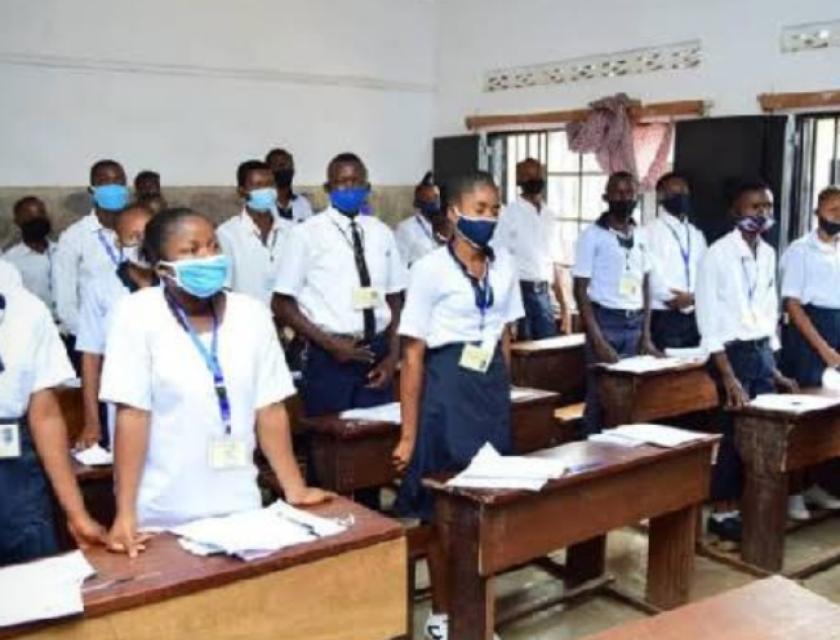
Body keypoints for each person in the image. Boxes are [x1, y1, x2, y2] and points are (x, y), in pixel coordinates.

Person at [101, 208, 332, 555]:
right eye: (192, 251)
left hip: (240, 510)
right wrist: (125, 513)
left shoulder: (251, 314)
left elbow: (269, 408)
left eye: (212, 247)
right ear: (160, 264)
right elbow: (132, 415)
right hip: (165, 515)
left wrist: (294, 488)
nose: (207, 258)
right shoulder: (136, 315)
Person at [393, 171, 517, 640]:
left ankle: (478, 614)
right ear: (454, 213)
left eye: (495, 209)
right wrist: (408, 433)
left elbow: (504, 334)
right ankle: (443, 615)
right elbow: (412, 353)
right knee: (443, 515)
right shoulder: (429, 269)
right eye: (480, 209)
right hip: (446, 393)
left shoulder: (504, 264)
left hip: (490, 390)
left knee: (487, 511)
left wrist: (506, 396)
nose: (489, 217)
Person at [273, 153, 407, 507]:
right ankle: (327, 526)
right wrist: (331, 345)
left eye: (355, 182)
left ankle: (370, 522)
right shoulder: (306, 235)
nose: (349, 188)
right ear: (328, 188)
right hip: (329, 356)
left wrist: (392, 355)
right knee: (327, 454)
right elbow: (282, 304)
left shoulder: (382, 234)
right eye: (341, 183)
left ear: (367, 187)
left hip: (375, 354)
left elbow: (395, 298)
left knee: (373, 449)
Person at [695, 178, 799, 542]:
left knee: (759, 436)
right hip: (729, 356)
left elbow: (768, 315)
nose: (762, 213)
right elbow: (708, 322)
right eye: (754, 207)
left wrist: (775, 369)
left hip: (759, 354)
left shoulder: (768, 254)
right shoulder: (717, 255)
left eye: (767, 207)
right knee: (730, 435)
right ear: (734, 211)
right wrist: (728, 378)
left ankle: (748, 505)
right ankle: (723, 513)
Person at [0, 275, 106, 566]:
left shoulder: (25, 309)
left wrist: (77, 514)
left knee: (31, 580)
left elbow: (45, 415)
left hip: (14, 473)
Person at [573, 171, 659, 434]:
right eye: (618, 193)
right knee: (600, 396)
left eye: (630, 193)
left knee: (631, 397)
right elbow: (580, 290)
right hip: (605, 322)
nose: (625, 198)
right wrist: (598, 340)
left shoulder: (642, 235)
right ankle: (590, 455)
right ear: (606, 197)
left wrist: (646, 334)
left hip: (634, 323)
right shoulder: (592, 236)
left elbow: (645, 284)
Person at [779, 185, 840, 519]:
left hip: (836, 327)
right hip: (807, 338)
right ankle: (794, 491)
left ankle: (818, 483)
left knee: (829, 419)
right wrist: (825, 350)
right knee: (803, 416)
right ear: (818, 211)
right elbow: (793, 305)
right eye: (832, 210)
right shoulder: (800, 250)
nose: (837, 218)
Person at [76, 204, 157, 449]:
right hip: (126, 401)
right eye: (133, 237)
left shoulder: (176, 283)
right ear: (118, 241)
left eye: (147, 236)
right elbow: (91, 357)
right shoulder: (100, 287)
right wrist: (92, 421)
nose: (142, 244)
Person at [53, 159, 130, 371]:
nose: (113, 187)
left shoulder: (139, 231)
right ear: (92, 190)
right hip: (94, 346)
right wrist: (95, 343)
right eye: (105, 182)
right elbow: (65, 304)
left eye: (118, 181)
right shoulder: (74, 237)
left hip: (137, 340)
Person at [494, 158, 571, 339]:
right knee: (524, 353)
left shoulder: (550, 216)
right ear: (519, 181)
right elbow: (499, 260)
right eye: (527, 176)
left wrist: (565, 307)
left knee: (546, 352)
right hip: (519, 292)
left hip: (544, 295)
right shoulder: (509, 214)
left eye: (537, 174)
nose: (534, 179)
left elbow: (557, 264)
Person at [644, 172, 707, 350]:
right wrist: (670, 297)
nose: (682, 197)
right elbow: (649, 272)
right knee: (666, 372)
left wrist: (694, 297)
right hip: (664, 313)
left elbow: (705, 270)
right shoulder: (649, 231)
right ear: (661, 197)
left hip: (695, 313)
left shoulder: (696, 234)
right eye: (676, 193)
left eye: (685, 193)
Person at [217, 160, 292, 306]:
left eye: (270, 184)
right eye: (257, 185)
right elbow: (224, 287)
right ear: (241, 191)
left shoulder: (292, 231)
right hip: (247, 321)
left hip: (289, 322)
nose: (266, 190)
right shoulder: (227, 234)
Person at [3, 196, 57, 317]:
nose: (37, 223)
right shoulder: (10, 261)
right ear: (18, 222)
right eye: (31, 220)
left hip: (71, 329)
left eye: (40, 217)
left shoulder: (63, 252)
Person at [394, 172, 451, 267]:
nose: (434, 203)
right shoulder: (406, 228)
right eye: (428, 199)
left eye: (436, 198)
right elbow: (399, 263)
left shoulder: (449, 226)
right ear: (418, 202)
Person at [265, 148, 314, 222]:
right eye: (280, 165)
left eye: (289, 166)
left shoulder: (302, 203)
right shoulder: (262, 204)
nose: (285, 169)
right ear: (268, 170)